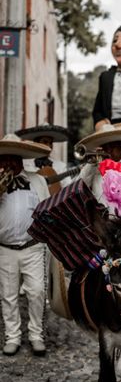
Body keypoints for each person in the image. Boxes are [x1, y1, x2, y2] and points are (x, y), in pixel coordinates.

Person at [0, 134, 50, 356]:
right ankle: (12, 336)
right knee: (8, 294)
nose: (9, 162)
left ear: (21, 159)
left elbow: (48, 210)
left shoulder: (37, 180)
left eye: (14, 157)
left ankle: (36, 334)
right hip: (5, 248)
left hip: (32, 246)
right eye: (5, 158)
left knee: (37, 291)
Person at [77, 122, 121, 212]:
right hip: (101, 222)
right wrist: (91, 163)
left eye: (112, 146)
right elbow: (79, 187)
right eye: (105, 147)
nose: (108, 151)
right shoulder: (94, 168)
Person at [17, 123, 75, 192]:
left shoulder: (60, 166)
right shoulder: (24, 164)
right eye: (45, 142)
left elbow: (68, 188)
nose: (49, 146)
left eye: (51, 143)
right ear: (36, 143)